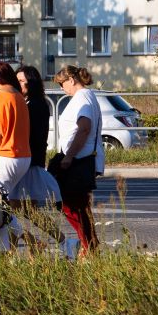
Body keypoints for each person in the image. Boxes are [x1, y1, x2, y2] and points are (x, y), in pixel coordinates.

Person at [0, 62, 65, 254]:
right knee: (9, 208)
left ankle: (13, 251)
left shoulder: (0, 97)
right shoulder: (18, 98)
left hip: (7, 157)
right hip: (22, 158)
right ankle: (23, 247)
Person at [50, 65, 103, 256]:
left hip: (78, 160)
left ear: (71, 80)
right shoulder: (86, 97)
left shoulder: (82, 99)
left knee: (71, 205)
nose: (62, 89)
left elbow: (84, 128)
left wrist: (69, 156)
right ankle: (89, 244)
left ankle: (89, 245)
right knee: (77, 206)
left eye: (62, 84)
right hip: (79, 158)